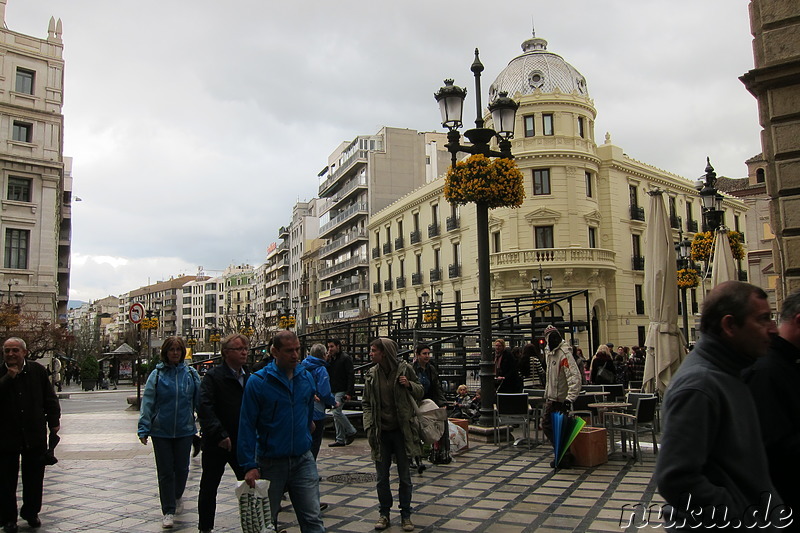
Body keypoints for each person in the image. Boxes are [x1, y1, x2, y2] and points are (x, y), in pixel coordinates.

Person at [655, 281, 788, 529]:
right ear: (729, 325)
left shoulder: (730, 373)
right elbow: (676, 479)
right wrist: (744, 517)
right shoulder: (700, 385)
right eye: (763, 319)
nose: (774, 329)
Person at [238, 330, 325, 533]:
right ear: (275, 352)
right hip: (270, 462)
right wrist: (249, 465)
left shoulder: (305, 377)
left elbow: (308, 408)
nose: (295, 355)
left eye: (297, 350)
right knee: (267, 522)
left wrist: (306, 428)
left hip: (302, 458)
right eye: (289, 351)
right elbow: (247, 425)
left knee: (312, 518)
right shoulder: (258, 382)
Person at [742, 289, 800, 531]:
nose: (771, 328)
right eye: (763, 319)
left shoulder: (782, 364)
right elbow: (775, 447)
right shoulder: (766, 371)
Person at [137, 337, 201, 530]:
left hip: (184, 430)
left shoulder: (190, 374)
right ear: (165, 352)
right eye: (171, 350)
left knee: (182, 469)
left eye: (178, 350)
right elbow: (148, 402)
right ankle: (168, 510)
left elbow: (200, 401)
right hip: (161, 431)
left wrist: (205, 425)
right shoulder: (156, 376)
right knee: (165, 472)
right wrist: (144, 427)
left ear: (182, 353)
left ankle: (176, 494)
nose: (175, 353)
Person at [0, 338, 60, 533]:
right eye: (7, 351)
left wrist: (54, 422)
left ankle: (31, 512)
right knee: (6, 481)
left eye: (15, 350)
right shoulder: (1, 373)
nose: (10, 354)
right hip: (6, 437)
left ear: (24, 352)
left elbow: (49, 397)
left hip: (34, 434)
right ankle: (8, 518)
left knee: (34, 478)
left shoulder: (37, 371)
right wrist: (8, 378)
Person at [362, 338, 422, 532]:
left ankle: (406, 515)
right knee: (382, 477)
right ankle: (384, 513)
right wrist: (369, 425)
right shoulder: (372, 374)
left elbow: (421, 391)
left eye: (373, 351)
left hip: (401, 431)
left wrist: (409, 385)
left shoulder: (405, 370)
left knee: (405, 476)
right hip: (381, 432)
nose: (370, 354)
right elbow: (366, 403)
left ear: (384, 353)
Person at [196, 333, 250, 533]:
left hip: (241, 441)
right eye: (239, 349)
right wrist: (219, 434)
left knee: (249, 484)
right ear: (226, 353)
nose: (244, 352)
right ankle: (205, 527)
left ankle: (252, 524)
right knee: (209, 486)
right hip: (216, 442)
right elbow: (205, 407)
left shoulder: (249, 376)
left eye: (245, 348)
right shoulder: (213, 377)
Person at [540, 325, 581, 468]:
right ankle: (564, 455)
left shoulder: (564, 354)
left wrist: (570, 398)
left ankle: (564, 455)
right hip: (553, 397)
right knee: (553, 427)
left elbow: (574, 376)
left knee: (551, 426)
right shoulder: (550, 352)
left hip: (560, 399)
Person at [299, 343, 337, 460]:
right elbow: (324, 391)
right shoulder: (321, 369)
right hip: (317, 409)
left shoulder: (302, 367)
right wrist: (333, 402)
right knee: (315, 441)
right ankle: (310, 467)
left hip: (302, 408)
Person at [412, 344, 448, 464]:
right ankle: (415, 455)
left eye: (428, 353)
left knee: (443, 418)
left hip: (429, 401)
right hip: (415, 402)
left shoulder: (431, 369)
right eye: (424, 354)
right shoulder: (412, 369)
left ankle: (442, 452)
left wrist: (442, 403)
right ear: (417, 355)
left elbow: (436, 387)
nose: (427, 356)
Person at [326, 339, 357, 447]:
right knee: (336, 414)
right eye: (328, 347)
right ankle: (340, 438)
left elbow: (350, 375)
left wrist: (349, 392)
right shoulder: (331, 359)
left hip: (342, 389)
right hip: (333, 389)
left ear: (338, 346)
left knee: (336, 412)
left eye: (332, 346)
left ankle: (351, 431)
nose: (330, 349)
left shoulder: (345, 358)